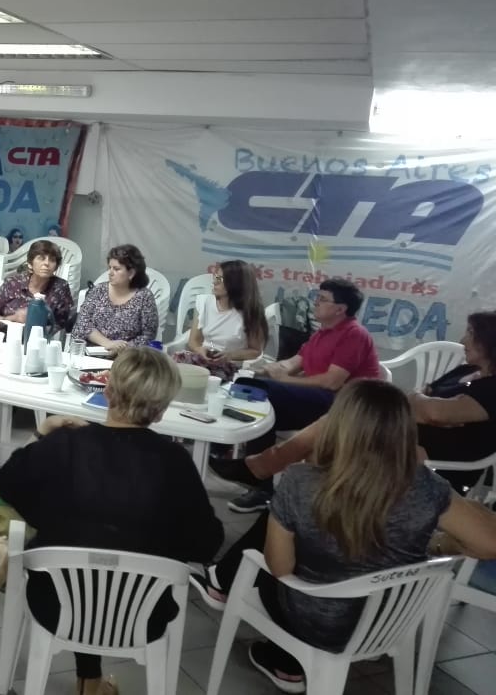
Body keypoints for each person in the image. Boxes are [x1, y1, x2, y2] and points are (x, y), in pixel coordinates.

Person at [192, 380, 496, 693]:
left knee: (268, 565)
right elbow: (490, 544)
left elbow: (280, 569)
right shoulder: (427, 487)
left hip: (317, 622)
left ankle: (281, 654)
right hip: (389, 621)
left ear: (338, 424)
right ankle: (284, 659)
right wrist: (438, 545)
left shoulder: (300, 482)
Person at [0, 348, 224, 695]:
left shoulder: (64, 444)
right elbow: (207, 544)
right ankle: (91, 682)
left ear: (107, 390)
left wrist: (43, 432)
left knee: (82, 555)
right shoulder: (175, 463)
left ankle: (6, 560)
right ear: (161, 410)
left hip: (57, 603)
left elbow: (8, 483)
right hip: (142, 615)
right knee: (109, 559)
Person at [219, 311, 496, 496]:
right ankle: (282, 490)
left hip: (428, 452)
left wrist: (422, 403)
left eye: (471, 333)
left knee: (333, 432)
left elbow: (434, 412)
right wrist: (421, 403)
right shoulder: (466, 371)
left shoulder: (492, 387)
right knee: (327, 436)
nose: (463, 340)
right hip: (402, 432)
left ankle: (265, 472)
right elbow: (422, 401)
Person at [212, 278, 381, 513]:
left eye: (323, 299)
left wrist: (282, 379)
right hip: (316, 399)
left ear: (340, 309)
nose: (316, 302)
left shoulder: (354, 335)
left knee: (265, 393)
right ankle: (257, 483)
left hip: (344, 407)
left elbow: (332, 382)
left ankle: (244, 467)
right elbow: (291, 364)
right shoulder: (321, 333)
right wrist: (253, 370)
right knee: (250, 390)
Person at [171, 260, 267, 380]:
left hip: (229, 366)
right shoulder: (204, 302)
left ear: (235, 284)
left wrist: (230, 355)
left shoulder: (251, 313)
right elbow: (194, 341)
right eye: (216, 277)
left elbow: (255, 350)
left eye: (220, 279)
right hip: (202, 360)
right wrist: (200, 350)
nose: (214, 282)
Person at [72, 244, 159, 354]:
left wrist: (121, 349)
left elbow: (148, 336)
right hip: (91, 353)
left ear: (131, 273)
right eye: (110, 268)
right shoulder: (98, 290)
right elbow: (82, 324)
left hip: (127, 357)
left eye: (116, 269)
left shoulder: (144, 297)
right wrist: (108, 343)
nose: (110, 273)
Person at [0, 239, 74, 333]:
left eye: (52, 260)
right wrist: (12, 318)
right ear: (30, 264)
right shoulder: (13, 283)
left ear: (56, 266)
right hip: (0, 335)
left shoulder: (60, 287)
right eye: (41, 258)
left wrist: (38, 327)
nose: (46, 263)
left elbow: (64, 323)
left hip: (39, 338)